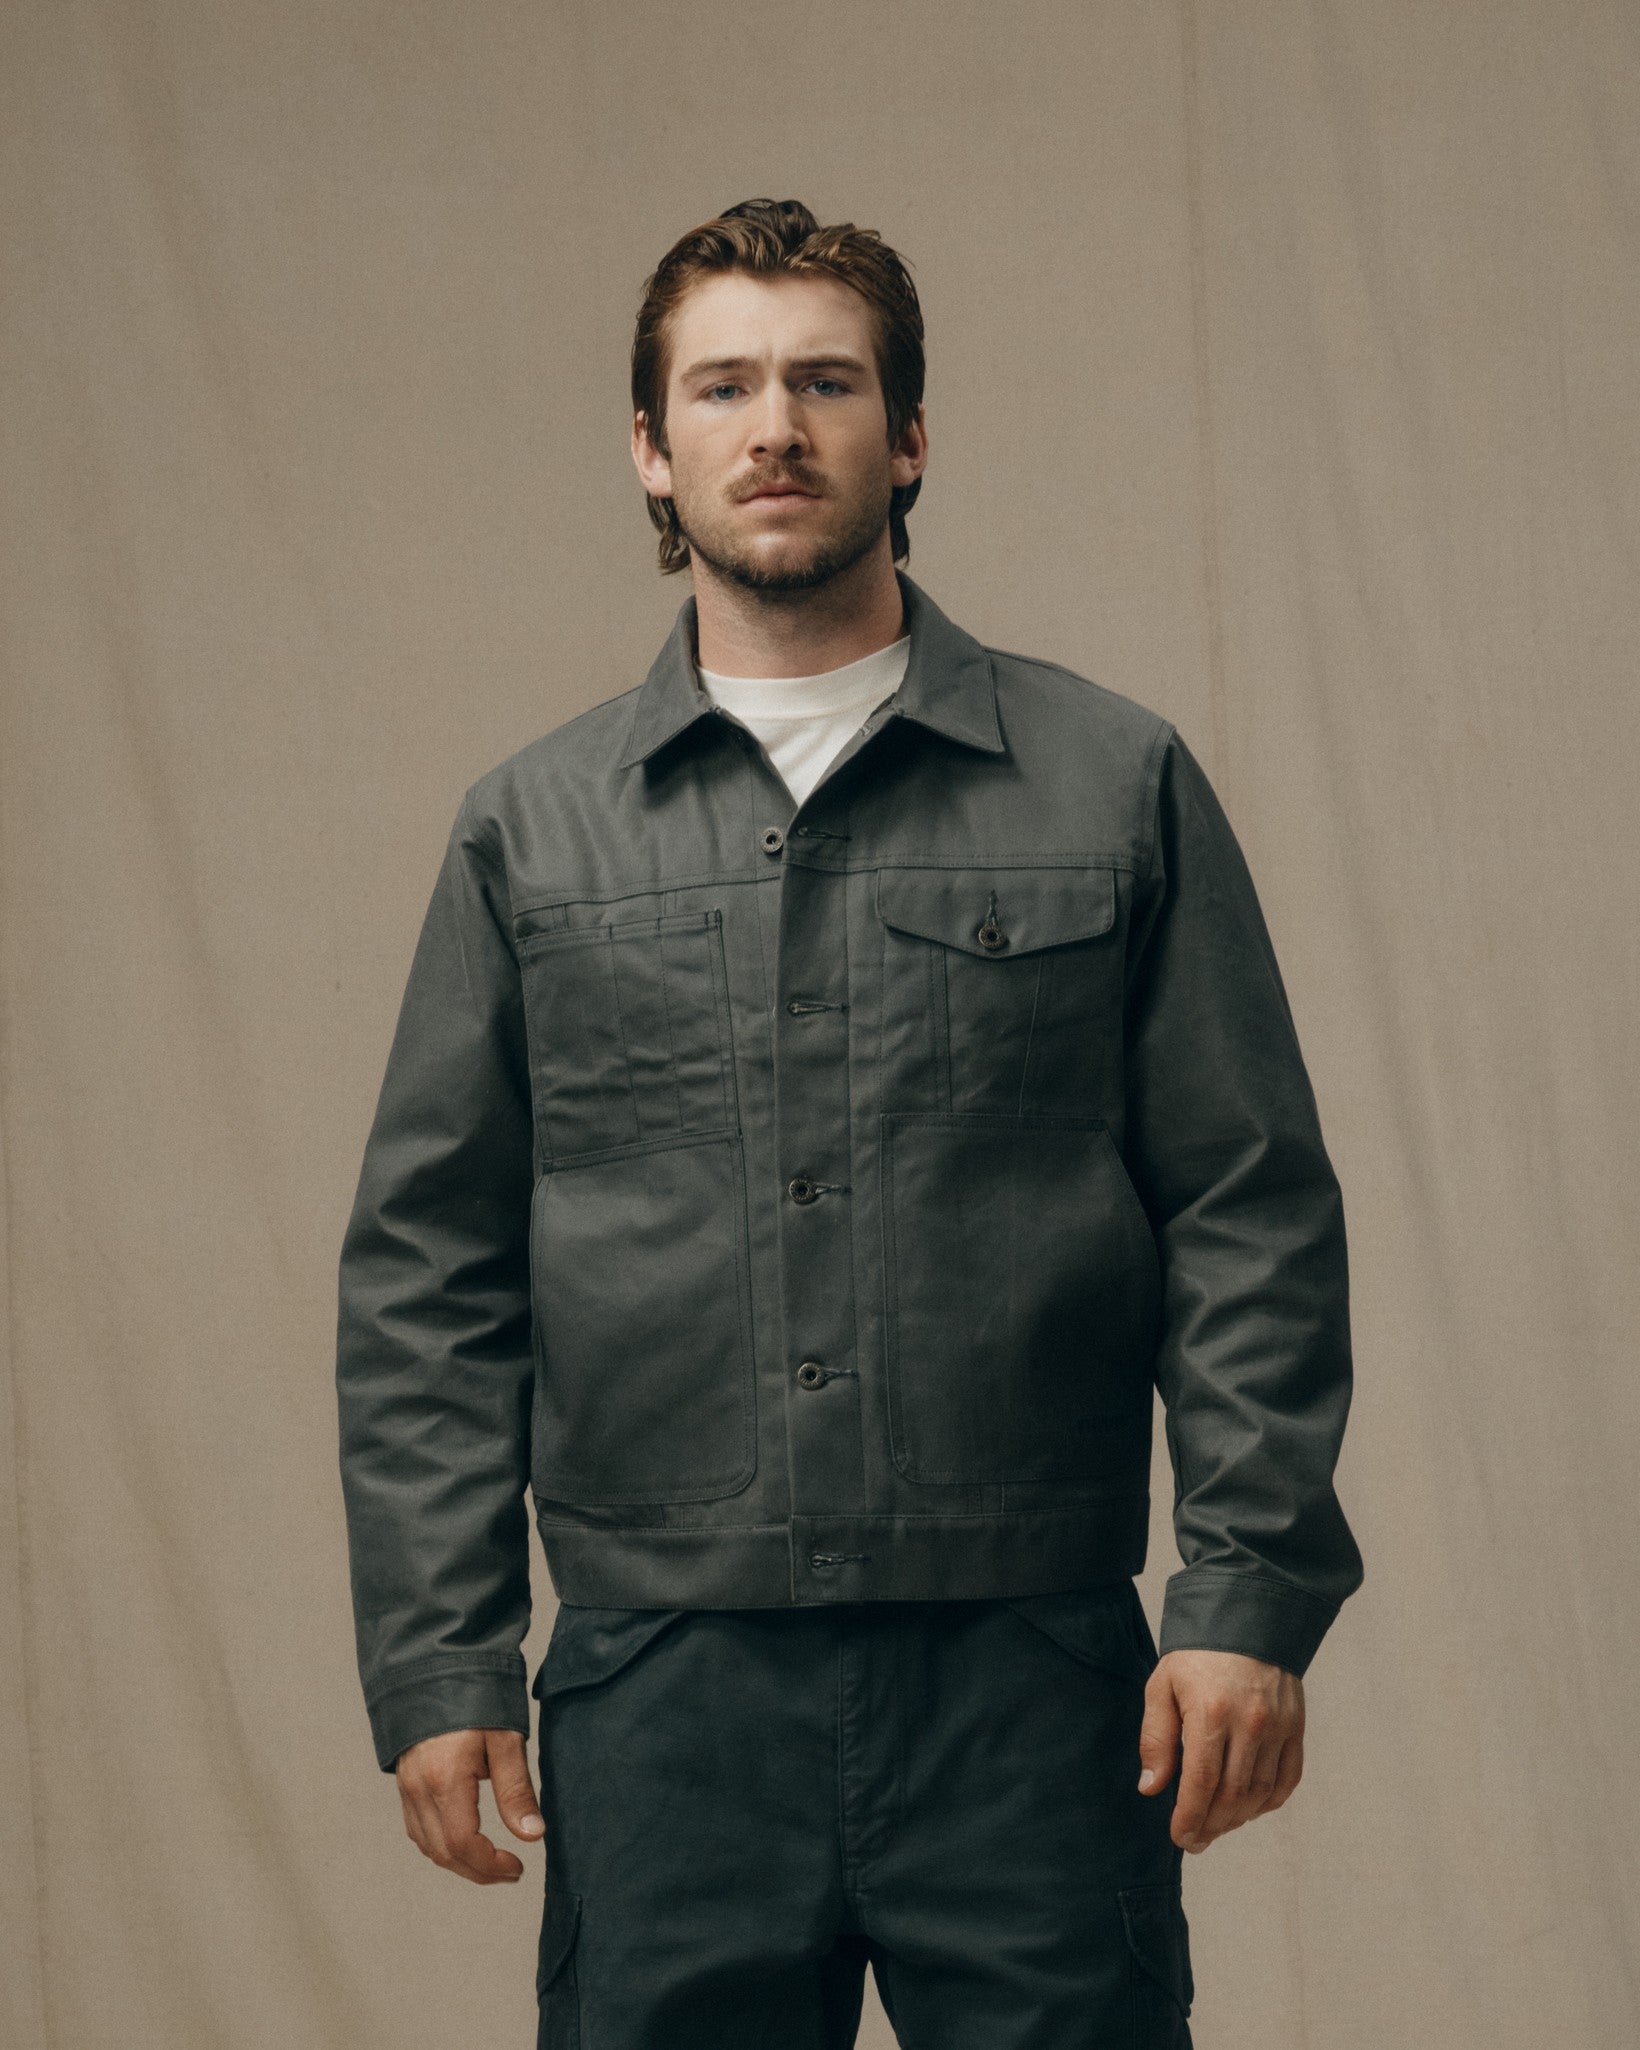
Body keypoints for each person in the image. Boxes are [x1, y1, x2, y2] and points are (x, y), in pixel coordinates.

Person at [336, 196, 1364, 2048]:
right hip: (663, 1695)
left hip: (1036, 1676)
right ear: (651, 448)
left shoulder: (1110, 782)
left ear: (909, 436)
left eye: (825, 381)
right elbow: (433, 1274)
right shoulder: (532, 832)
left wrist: (1245, 1589)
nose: (775, 427)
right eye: (722, 386)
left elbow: (1249, 1207)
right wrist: (439, 1649)